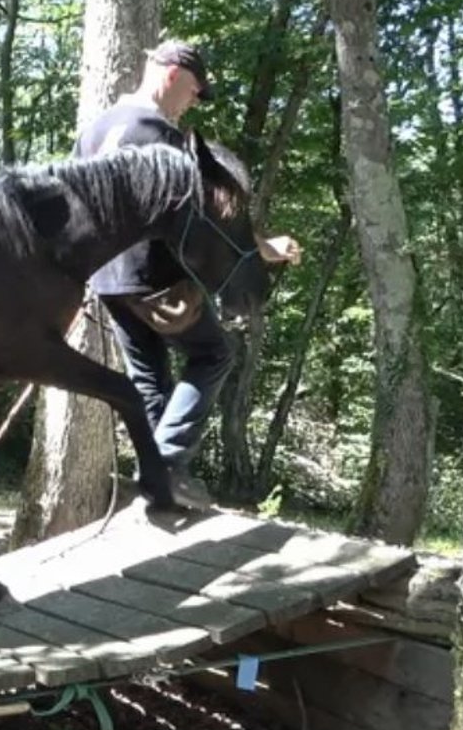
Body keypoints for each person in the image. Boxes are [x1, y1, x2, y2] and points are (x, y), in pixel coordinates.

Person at [74, 40, 301, 507]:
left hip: (108, 281)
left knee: (150, 379)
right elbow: (203, 224)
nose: (195, 102)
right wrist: (265, 248)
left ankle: (161, 489)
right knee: (215, 353)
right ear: (173, 74)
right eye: (197, 91)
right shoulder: (163, 136)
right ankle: (166, 464)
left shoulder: (96, 130)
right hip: (157, 277)